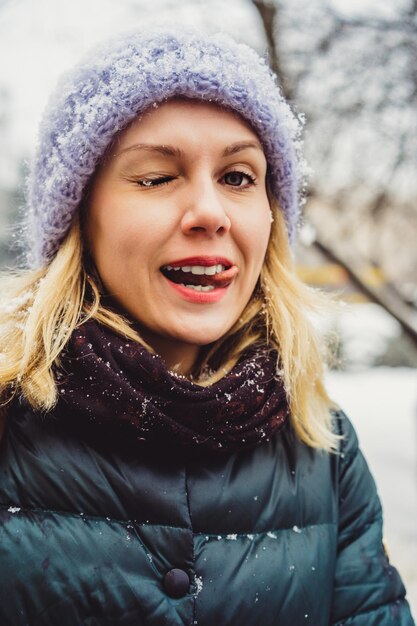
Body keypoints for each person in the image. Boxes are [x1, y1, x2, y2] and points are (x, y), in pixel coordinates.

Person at [0, 29, 414, 626]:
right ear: (79, 217)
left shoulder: (326, 451)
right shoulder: (12, 427)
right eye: (157, 177)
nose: (210, 214)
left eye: (239, 177)